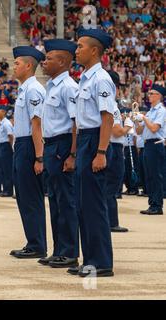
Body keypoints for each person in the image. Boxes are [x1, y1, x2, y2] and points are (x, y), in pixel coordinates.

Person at [69, 28, 115, 277]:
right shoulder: (85, 78)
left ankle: (102, 262)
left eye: (80, 46)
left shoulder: (101, 79)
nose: (76, 50)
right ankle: (90, 259)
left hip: (95, 140)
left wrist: (101, 151)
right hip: (86, 140)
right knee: (83, 205)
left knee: (94, 204)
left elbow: (107, 117)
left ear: (94, 50)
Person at [37, 39, 79, 268]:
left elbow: (75, 124)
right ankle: (59, 249)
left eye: (49, 58)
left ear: (62, 62)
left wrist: (72, 155)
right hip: (52, 145)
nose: (44, 62)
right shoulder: (52, 86)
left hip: (63, 145)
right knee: (54, 199)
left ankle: (70, 251)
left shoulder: (68, 87)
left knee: (66, 200)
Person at [10, 46, 47, 259]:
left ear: (28, 65)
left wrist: (39, 156)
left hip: (30, 146)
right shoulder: (25, 89)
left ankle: (37, 244)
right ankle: (33, 241)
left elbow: (37, 124)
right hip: (22, 144)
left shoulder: (34, 90)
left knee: (31, 197)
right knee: (24, 196)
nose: (14, 66)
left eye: (17, 63)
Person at [135, 84, 166, 215]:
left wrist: (144, 118)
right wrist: (137, 120)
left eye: (151, 93)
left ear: (159, 96)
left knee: (156, 175)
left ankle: (157, 205)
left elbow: (154, 128)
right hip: (148, 144)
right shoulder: (150, 111)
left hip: (156, 144)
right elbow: (139, 131)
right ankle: (152, 203)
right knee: (149, 175)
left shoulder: (161, 111)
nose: (149, 95)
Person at [107, 71, 131, 233]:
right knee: (112, 187)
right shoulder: (112, 106)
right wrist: (128, 126)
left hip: (109, 146)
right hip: (114, 147)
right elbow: (116, 132)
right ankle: (112, 222)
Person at [0, 106, 14, 197]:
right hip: (1, 146)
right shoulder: (1, 123)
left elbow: (10, 136)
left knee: (7, 169)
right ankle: (5, 189)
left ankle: (8, 190)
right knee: (2, 169)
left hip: (6, 146)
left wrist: (11, 148)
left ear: (4, 112)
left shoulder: (6, 123)